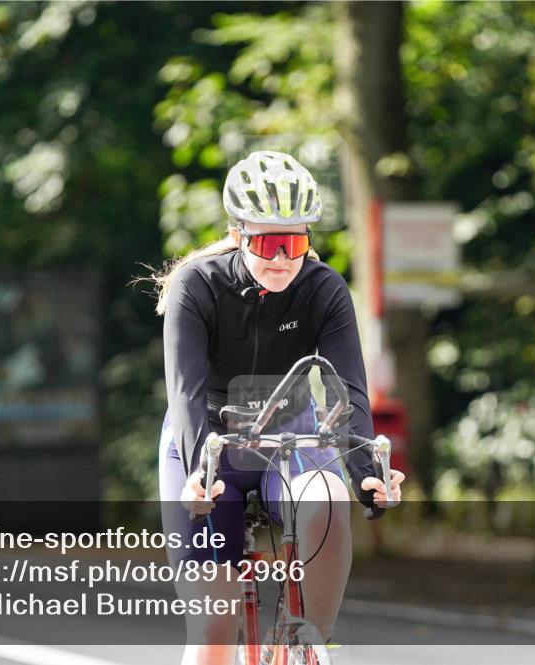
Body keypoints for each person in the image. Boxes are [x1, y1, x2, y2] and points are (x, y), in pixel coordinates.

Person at [152, 150, 405, 665]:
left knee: (329, 496)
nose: (283, 258)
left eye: (296, 243)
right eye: (269, 243)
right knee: (213, 633)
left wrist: (368, 474)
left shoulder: (323, 289)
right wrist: (199, 471)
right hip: (208, 443)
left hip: (289, 438)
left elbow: (348, 390)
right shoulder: (196, 286)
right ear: (238, 233)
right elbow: (185, 393)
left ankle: (310, 640)